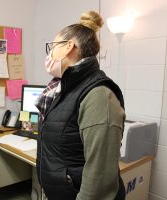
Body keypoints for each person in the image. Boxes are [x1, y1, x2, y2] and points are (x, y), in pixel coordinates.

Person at [35, 11, 126, 200]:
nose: (50, 53)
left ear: (68, 47)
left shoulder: (98, 95)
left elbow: (99, 182)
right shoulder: (63, 88)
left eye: (52, 46)